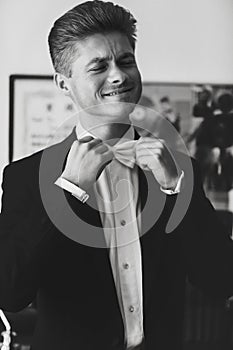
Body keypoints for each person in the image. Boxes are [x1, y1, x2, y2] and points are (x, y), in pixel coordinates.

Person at [0, 1, 233, 350]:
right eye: (99, 66)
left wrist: (174, 191)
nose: (119, 76)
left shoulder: (179, 168)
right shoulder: (25, 176)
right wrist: (68, 191)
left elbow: (221, 280)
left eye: (126, 61)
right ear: (64, 84)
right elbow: (9, 293)